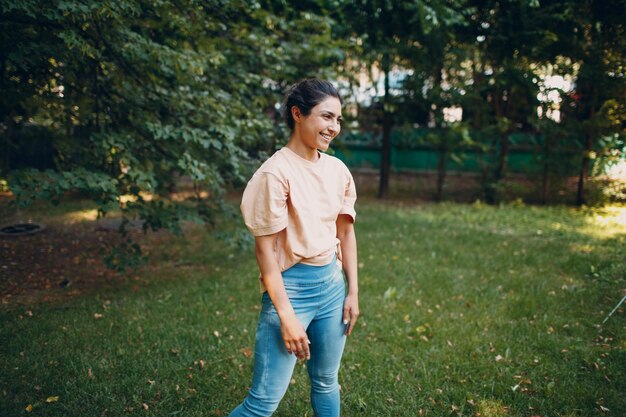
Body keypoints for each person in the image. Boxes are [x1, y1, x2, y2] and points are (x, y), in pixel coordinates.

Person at [229, 79, 359, 417]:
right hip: (291, 292)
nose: (334, 127)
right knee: (262, 404)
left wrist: (353, 292)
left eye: (339, 120)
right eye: (326, 117)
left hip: (332, 288)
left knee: (327, 381)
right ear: (298, 114)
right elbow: (265, 253)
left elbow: (345, 234)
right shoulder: (275, 173)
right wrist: (287, 317)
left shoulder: (337, 170)